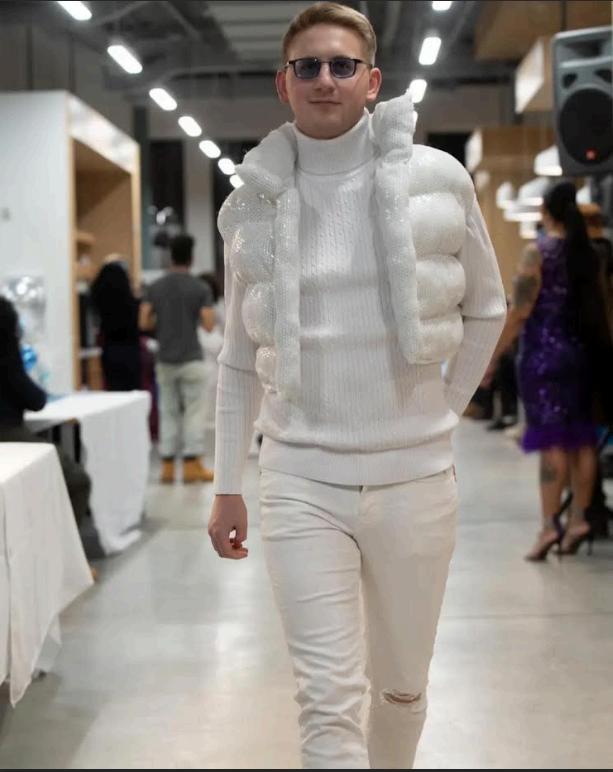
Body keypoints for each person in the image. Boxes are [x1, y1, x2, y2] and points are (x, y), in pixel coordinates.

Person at [207, 3, 506, 768]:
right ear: (283, 83)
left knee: (401, 689)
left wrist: (442, 410)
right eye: (307, 66)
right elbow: (237, 356)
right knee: (326, 700)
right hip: (299, 481)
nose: (325, 79)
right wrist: (226, 484)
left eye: (342, 65)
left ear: (371, 81)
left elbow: (487, 307)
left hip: (416, 482)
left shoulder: (436, 180)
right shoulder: (251, 204)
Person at [486, 180, 613, 561]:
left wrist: (491, 357)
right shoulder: (588, 255)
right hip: (584, 358)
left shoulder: (537, 252)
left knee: (553, 441)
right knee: (582, 440)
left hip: (545, 360)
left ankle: (548, 527)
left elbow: (520, 312)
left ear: (545, 212)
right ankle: (579, 520)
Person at [0, 296, 92, 530]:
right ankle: (65, 547)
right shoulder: (6, 356)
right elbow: (35, 400)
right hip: (7, 435)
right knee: (77, 481)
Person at [139, 234, 215, 484]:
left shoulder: (155, 287)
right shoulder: (200, 288)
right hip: (191, 358)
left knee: (168, 411)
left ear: (171, 257)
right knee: (194, 412)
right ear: (191, 257)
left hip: (165, 359)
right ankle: (192, 465)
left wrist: (163, 323)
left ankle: (168, 467)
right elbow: (208, 324)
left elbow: (143, 321)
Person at [90, 256, 142, 391]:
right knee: (132, 393)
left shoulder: (100, 301)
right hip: (131, 351)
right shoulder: (133, 304)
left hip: (110, 351)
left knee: (114, 391)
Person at [198, 273, 225, 461]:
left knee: (206, 409)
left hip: (209, 363)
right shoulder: (220, 308)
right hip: (213, 363)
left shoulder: (211, 310)